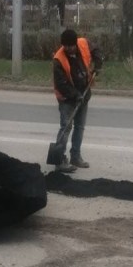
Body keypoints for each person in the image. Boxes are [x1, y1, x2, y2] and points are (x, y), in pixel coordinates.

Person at [52, 28, 103, 172]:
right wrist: (75, 95)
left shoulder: (83, 43)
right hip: (67, 98)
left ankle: (75, 156)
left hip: (83, 94)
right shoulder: (58, 60)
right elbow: (61, 84)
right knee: (66, 127)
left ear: (75, 43)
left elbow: (96, 50)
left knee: (79, 127)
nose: (67, 49)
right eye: (65, 46)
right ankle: (59, 160)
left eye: (70, 46)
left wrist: (98, 65)